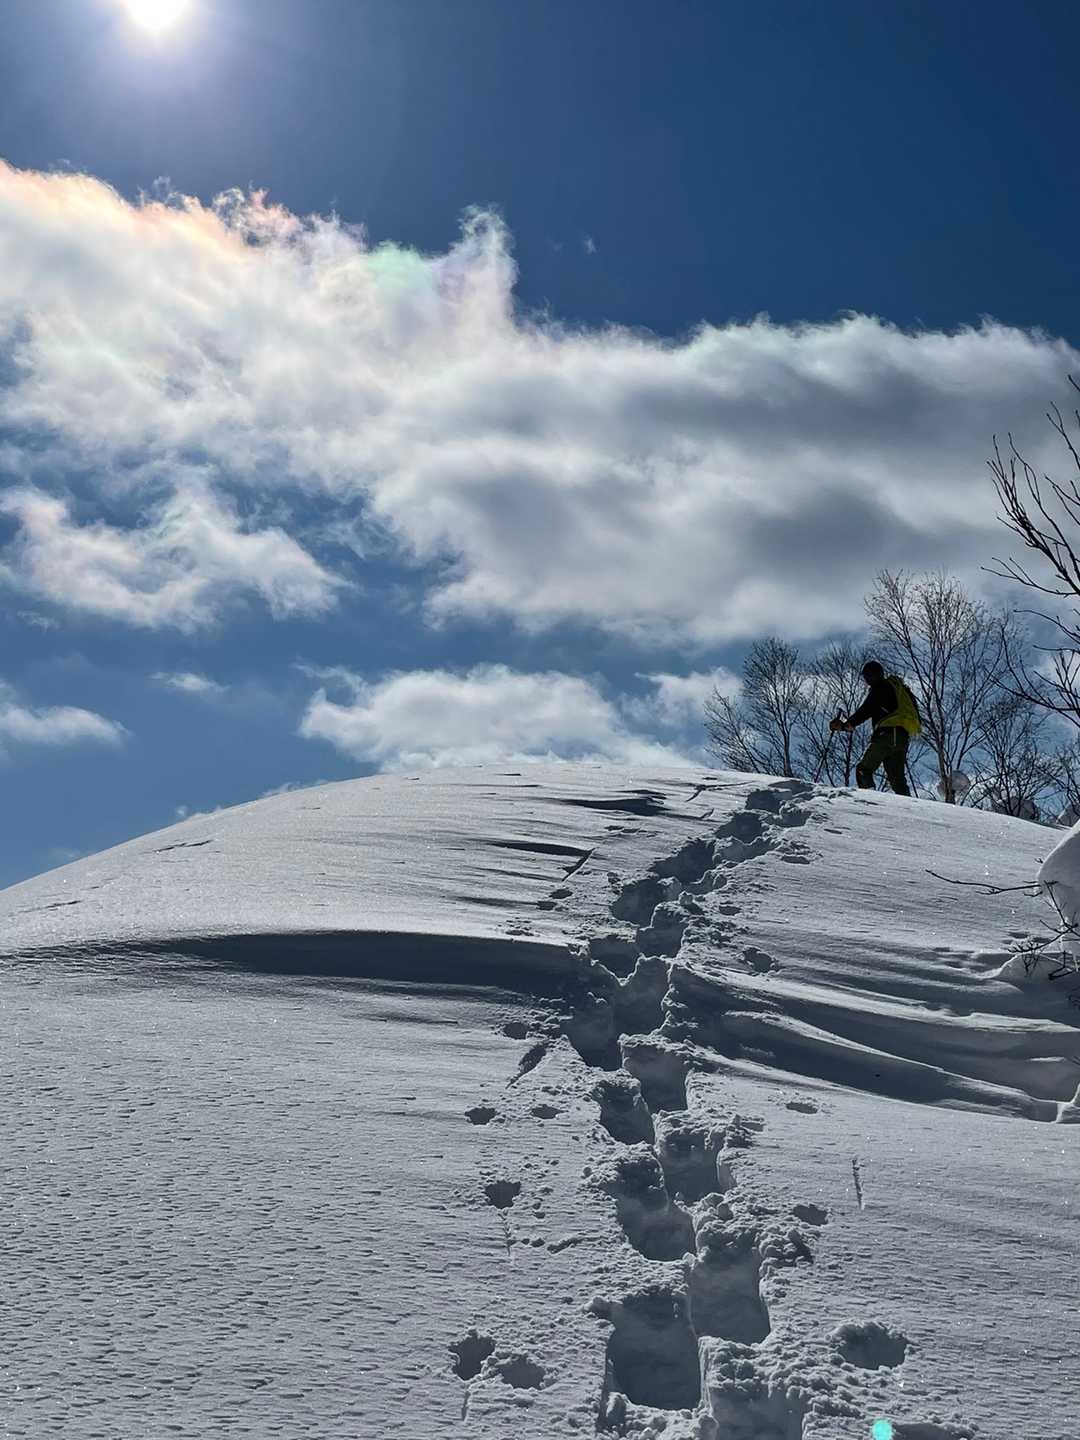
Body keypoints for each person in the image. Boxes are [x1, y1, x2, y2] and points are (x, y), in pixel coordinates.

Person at [830, 661, 921, 796]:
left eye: (867, 676)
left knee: (863, 770)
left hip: (886, 735)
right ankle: (910, 805)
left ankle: (869, 802)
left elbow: (866, 710)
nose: (867, 680)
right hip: (901, 738)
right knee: (897, 780)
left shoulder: (881, 688)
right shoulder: (897, 689)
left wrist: (845, 725)